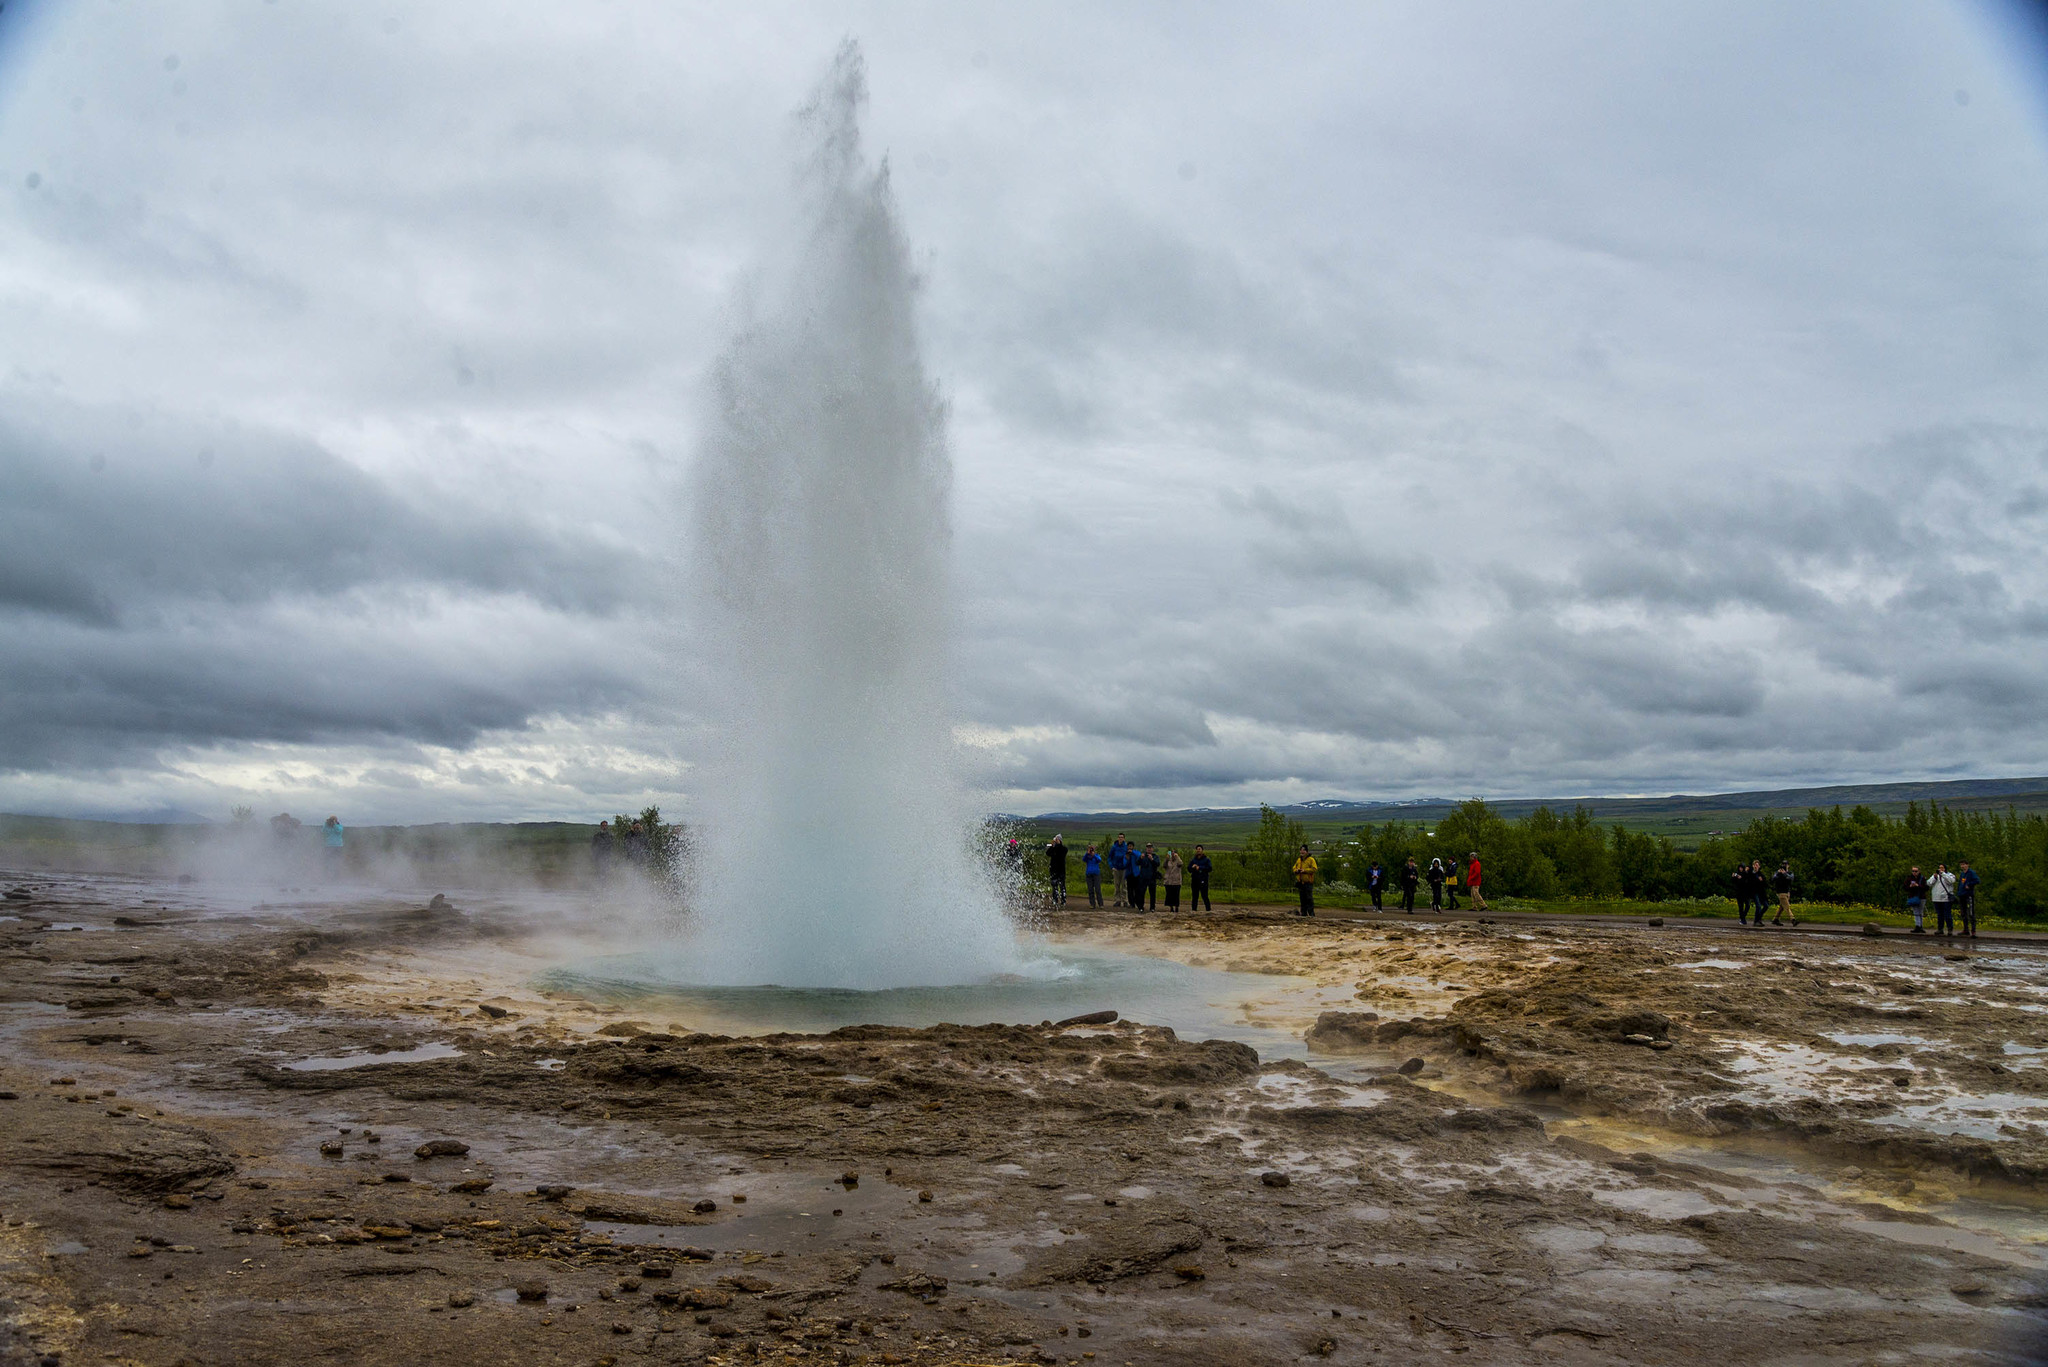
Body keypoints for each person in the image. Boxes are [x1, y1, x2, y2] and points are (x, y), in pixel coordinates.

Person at [1929, 863, 1957, 937]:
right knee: (1939, 915)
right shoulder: (1935, 875)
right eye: (1939, 868)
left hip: (1946, 898)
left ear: (1945, 868)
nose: (1940, 869)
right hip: (1936, 898)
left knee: (1947, 914)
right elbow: (1929, 883)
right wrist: (1934, 877)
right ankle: (1940, 929)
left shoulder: (1950, 875)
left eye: (1942, 868)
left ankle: (1950, 929)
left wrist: (1943, 874)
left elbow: (1951, 881)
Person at [1292, 844, 1318, 917]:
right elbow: (1294, 868)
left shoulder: (1311, 860)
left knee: (1309, 899)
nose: (1302, 851)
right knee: (1302, 899)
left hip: (1308, 883)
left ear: (1307, 852)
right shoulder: (1299, 860)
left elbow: (1314, 869)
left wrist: (1305, 871)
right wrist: (1296, 870)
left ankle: (1311, 914)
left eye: (1304, 850)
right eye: (1301, 850)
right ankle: (1303, 914)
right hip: (1301, 883)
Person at [1769, 861, 1796, 926]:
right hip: (1780, 892)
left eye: (1785, 865)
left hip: (1787, 891)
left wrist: (1785, 873)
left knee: (1782, 907)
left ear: (1788, 866)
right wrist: (1778, 873)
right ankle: (1793, 919)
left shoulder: (1790, 873)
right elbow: (1772, 879)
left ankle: (1775, 919)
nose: (1784, 866)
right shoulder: (1777, 873)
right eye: (1783, 865)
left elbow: (1791, 878)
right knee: (1787, 906)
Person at [1902, 865, 1927, 934]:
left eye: (1916, 871)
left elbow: (1926, 888)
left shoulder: (1922, 878)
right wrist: (1910, 886)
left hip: (1921, 897)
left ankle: (1920, 926)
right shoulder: (1909, 878)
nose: (1914, 872)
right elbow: (1904, 887)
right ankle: (1917, 925)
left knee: (1920, 911)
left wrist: (1918, 886)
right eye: (1913, 871)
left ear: (1919, 871)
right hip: (1912, 896)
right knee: (1915, 911)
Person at [1188, 845, 1213, 912]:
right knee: (1194, 896)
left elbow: (1210, 868)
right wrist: (1192, 867)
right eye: (1197, 849)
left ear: (1202, 850)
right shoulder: (1193, 860)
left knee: (1204, 896)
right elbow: (1189, 869)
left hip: (1203, 879)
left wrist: (1200, 868)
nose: (1198, 850)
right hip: (1195, 879)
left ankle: (1208, 910)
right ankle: (1194, 910)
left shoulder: (1206, 859)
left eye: (1199, 849)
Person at [1046, 835, 1069, 907]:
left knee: (1062, 886)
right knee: (1054, 886)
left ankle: (1063, 900)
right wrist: (1052, 846)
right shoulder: (1053, 848)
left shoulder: (1063, 849)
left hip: (1061, 870)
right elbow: (1048, 853)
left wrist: (1058, 844)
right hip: (1053, 870)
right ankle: (1055, 900)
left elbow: (1063, 850)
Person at [1959, 862, 1980, 938]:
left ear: (1967, 865)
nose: (1963, 866)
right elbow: (1960, 883)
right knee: (1963, 913)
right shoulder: (1962, 874)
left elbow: (1977, 880)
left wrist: (1969, 885)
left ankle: (1973, 931)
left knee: (1971, 913)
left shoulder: (1971, 873)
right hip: (1962, 894)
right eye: (1961, 865)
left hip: (1969, 895)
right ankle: (1966, 929)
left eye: (1964, 864)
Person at [1109, 835, 1130, 908]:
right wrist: (1112, 866)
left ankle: (1125, 900)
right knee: (1117, 884)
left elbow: (1129, 857)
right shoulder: (1114, 847)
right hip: (1116, 868)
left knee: (1124, 885)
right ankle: (1117, 900)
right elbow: (1110, 857)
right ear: (1118, 838)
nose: (1120, 838)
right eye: (1119, 837)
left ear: (1124, 838)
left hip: (1124, 868)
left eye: (1122, 837)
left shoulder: (1126, 847)